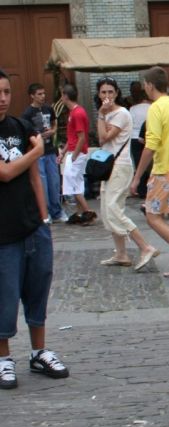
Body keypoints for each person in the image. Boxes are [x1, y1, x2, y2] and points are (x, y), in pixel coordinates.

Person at [0, 68, 69, 390]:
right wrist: (37, 152)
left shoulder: (20, 126)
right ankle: (3, 358)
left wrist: (44, 219)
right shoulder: (32, 142)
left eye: (5, 92)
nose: (2, 99)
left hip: (32, 228)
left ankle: (39, 350)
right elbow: (6, 172)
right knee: (5, 296)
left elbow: (32, 177)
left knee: (38, 289)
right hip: (3, 233)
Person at [130, 66, 169, 270]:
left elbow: (151, 145)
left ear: (148, 85)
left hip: (165, 170)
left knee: (153, 217)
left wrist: (137, 176)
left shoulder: (156, 108)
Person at [95, 77, 159, 271]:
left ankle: (145, 246)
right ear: (99, 94)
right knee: (108, 209)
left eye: (110, 92)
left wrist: (100, 115)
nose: (107, 96)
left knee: (113, 207)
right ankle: (121, 253)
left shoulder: (121, 113)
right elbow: (103, 140)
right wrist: (102, 116)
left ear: (116, 93)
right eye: (103, 92)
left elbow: (103, 137)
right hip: (108, 165)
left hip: (120, 165)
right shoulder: (108, 114)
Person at [22, 83, 66, 222]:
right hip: (38, 153)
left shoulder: (48, 108)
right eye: (39, 94)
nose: (43, 96)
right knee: (42, 182)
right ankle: (45, 212)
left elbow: (54, 122)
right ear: (32, 96)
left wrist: (53, 131)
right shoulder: (27, 113)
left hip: (50, 150)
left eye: (44, 93)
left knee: (54, 181)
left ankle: (57, 211)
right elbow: (26, 133)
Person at [58, 84, 95, 225]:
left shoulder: (77, 113)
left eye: (62, 95)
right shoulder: (75, 112)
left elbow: (81, 138)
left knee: (71, 184)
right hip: (75, 152)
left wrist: (73, 155)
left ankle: (87, 212)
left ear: (66, 96)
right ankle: (81, 213)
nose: (61, 98)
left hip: (77, 153)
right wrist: (64, 152)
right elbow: (73, 137)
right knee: (77, 184)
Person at [128, 85, 151, 199]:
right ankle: (150, 188)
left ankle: (142, 190)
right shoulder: (152, 107)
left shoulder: (132, 108)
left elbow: (129, 123)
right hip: (148, 137)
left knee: (138, 164)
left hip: (134, 138)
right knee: (150, 164)